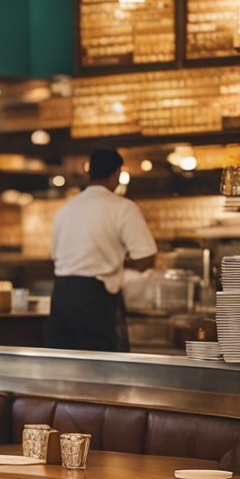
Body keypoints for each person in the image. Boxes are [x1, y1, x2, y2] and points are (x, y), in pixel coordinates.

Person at [48, 148, 157, 351]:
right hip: (94, 299)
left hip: (61, 297)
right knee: (100, 369)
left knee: (63, 366)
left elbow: (55, 257)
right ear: (116, 174)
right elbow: (147, 259)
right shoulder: (122, 207)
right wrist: (120, 263)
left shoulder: (66, 209)